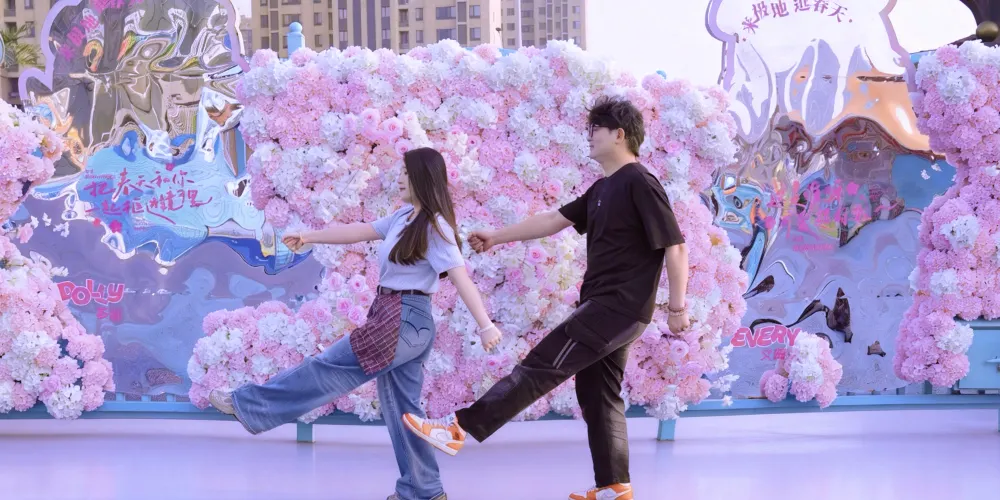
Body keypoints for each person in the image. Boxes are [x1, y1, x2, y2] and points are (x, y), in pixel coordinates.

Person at [402, 97, 691, 500]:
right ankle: (615, 487)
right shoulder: (602, 188)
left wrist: (677, 308)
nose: (588, 136)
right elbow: (554, 220)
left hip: (617, 306)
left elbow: (676, 246)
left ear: (619, 135)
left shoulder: (640, 181)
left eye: (595, 129)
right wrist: (496, 236)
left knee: (542, 365)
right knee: (598, 393)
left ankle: (458, 429)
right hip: (607, 306)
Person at [207, 147, 503, 500]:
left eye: (406, 173)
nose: (399, 178)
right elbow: (360, 231)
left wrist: (485, 325)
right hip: (400, 318)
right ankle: (424, 491)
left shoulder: (434, 227)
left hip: (402, 318)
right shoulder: (404, 217)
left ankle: (247, 404)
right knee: (404, 410)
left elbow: (460, 277)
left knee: (325, 368)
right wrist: (309, 236)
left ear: (422, 178)